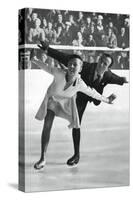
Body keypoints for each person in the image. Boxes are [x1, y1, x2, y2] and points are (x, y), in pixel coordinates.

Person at [37, 41, 128, 166]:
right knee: (77, 124)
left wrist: (123, 81)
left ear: (108, 68)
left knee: (78, 122)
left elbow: (118, 80)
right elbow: (64, 57)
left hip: (92, 96)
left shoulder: (109, 75)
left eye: (104, 64)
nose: (100, 64)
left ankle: (76, 154)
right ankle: (76, 155)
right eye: (100, 60)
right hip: (78, 96)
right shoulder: (85, 66)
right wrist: (48, 50)